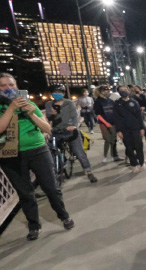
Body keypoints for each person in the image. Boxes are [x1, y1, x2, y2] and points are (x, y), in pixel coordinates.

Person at [0, 73, 74, 240]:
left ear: (16, 86)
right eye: (3, 85)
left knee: (51, 188)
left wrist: (31, 113)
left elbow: (47, 129)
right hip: (10, 155)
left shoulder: (29, 103)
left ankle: (64, 216)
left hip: (38, 150)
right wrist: (11, 108)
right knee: (25, 193)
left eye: (11, 84)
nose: (8, 88)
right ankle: (34, 225)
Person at [45, 84, 97, 183]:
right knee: (51, 150)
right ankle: (58, 167)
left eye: (59, 92)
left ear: (63, 93)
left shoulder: (69, 103)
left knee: (79, 152)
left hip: (70, 131)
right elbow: (49, 119)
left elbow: (74, 117)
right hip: (56, 131)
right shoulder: (48, 104)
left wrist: (73, 125)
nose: (57, 94)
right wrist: (52, 115)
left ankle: (88, 172)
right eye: (55, 92)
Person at [113, 84, 146, 173]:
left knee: (139, 146)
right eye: (121, 90)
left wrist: (142, 128)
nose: (123, 91)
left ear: (128, 90)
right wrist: (118, 130)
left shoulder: (134, 102)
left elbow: (139, 116)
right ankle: (134, 164)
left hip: (135, 128)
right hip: (124, 130)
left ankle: (141, 162)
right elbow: (116, 118)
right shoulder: (117, 104)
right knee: (129, 147)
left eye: (125, 89)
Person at [93, 85, 121, 162]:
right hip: (103, 123)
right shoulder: (98, 102)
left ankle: (114, 155)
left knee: (114, 140)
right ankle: (105, 156)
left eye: (108, 91)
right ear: (101, 92)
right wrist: (106, 123)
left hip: (113, 122)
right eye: (106, 91)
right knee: (108, 139)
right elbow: (98, 115)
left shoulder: (110, 100)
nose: (108, 92)